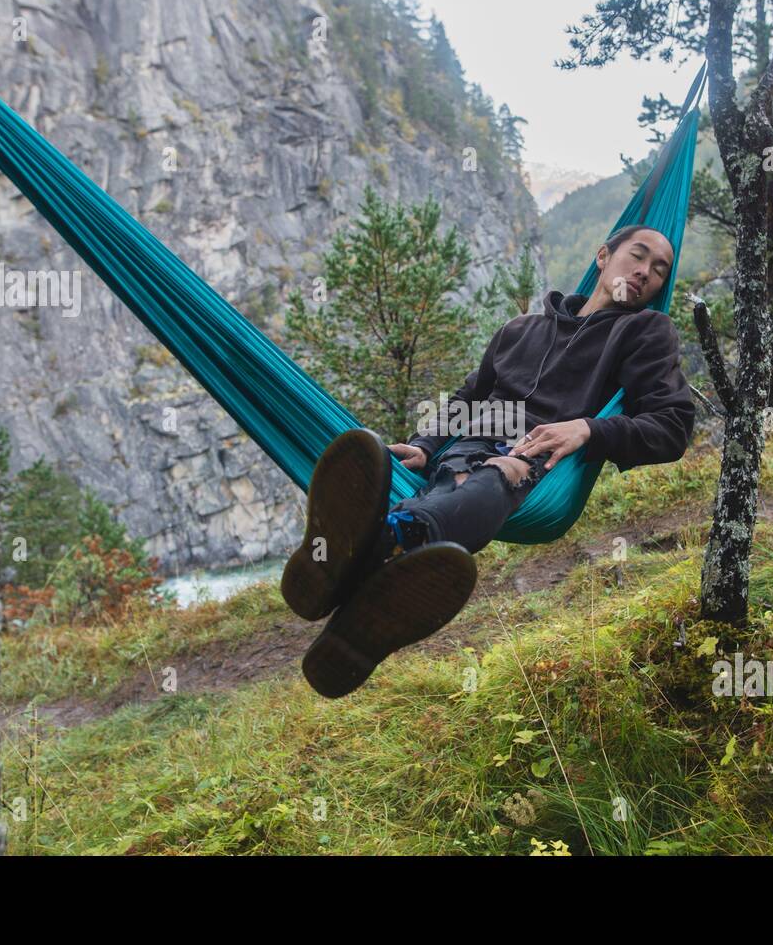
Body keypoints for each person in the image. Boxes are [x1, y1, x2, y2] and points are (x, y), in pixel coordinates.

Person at [281, 225, 696, 698]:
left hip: (538, 458)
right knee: (450, 487)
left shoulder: (645, 332)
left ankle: (375, 542)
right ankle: (362, 614)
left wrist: (588, 428)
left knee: (501, 474)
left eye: (659, 270)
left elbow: (673, 426)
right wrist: (425, 445)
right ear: (603, 256)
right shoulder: (520, 330)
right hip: (467, 449)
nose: (644, 272)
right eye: (637, 256)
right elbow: (468, 398)